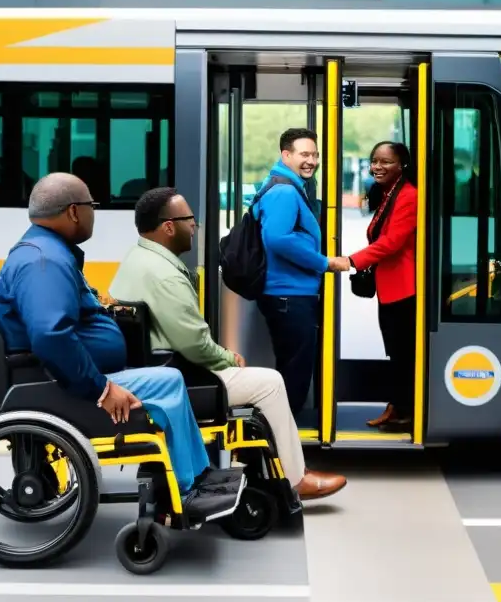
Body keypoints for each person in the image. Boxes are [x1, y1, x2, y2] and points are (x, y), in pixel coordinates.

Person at [0, 173, 240, 523]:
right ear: (74, 212)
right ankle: (189, 487)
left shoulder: (44, 251)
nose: (95, 213)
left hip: (59, 378)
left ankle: (196, 476)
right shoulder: (45, 262)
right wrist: (102, 389)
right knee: (168, 383)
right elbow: (51, 336)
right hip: (62, 387)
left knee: (168, 380)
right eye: (92, 206)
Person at [109, 187, 347, 501]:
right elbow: (193, 343)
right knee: (271, 383)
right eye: (189, 219)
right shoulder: (165, 275)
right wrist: (228, 357)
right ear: (168, 227)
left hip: (158, 368)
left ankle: (260, 464)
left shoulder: (137, 258)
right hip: (182, 377)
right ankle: (294, 478)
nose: (194, 226)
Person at [253, 128, 348, 415]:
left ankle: (279, 444)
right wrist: (325, 262)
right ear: (286, 155)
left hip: (289, 295)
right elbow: (278, 238)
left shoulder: (289, 186)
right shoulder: (284, 191)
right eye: (304, 154)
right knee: (294, 377)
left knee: (291, 370)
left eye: (315, 155)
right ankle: (282, 447)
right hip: (289, 296)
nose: (312, 161)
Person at [332, 141, 418, 432]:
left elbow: (392, 242)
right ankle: (397, 407)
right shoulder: (389, 194)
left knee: (403, 354)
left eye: (386, 162)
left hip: (404, 290)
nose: (377, 167)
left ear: (402, 165)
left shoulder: (408, 196)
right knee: (396, 352)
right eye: (374, 161)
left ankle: (403, 411)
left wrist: (351, 261)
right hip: (391, 288)